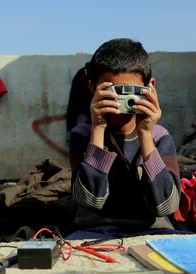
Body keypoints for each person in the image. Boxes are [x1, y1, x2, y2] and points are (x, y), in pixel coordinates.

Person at [67, 38, 181, 239]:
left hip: (154, 231)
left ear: (150, 88)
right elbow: (90, 200)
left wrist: (145, 134)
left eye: (130, 92)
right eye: (113, 93)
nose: (120, 102)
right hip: (94, 232)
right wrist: (98, 128)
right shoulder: (83, 135)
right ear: (93, 89)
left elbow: (165, 206)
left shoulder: (159, 136)